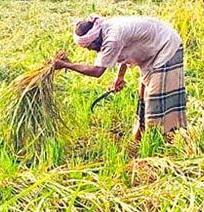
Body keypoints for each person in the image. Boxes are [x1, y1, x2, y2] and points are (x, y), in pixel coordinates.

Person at [54, 14, 186, 140]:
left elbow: (97, 71)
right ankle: (141, 135)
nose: (89, 50)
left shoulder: (112, 38)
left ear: (95, 38)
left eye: (90, 46)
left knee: (155, 98)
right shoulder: (104, 30)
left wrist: (66, 65)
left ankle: (161, 138)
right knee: (143, 95)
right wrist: (119, 77)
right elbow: (125, 49)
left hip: (166, 46)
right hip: (152, 51)